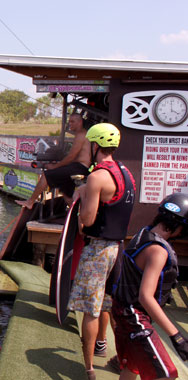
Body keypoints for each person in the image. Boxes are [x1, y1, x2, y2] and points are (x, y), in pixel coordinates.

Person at [67, 123, 136, 380]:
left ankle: (89, 369)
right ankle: (109, 350)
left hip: (97, 250)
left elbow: (86, 219)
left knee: (90, 309)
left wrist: (82, 193)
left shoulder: (97, 176)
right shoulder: (126, 172)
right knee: (108, 303)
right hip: (119, 248)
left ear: (95, 145)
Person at [110, 192, 188, 380]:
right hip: (133, 316)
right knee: (167, 374)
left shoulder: (143, 234)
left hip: (122, 310)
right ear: (179, 226)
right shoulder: (158, 252)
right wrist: (176, 336)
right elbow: (146, 296)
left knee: (132, 367)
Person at [16, 113, 91, 209]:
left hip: (79, 167)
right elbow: (74, 157)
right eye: (69, 122)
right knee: (65, 191)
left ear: (80, 122)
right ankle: (76, 214)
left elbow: (71, 157)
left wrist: (55, 166)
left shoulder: (81, 135)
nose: (70, 124)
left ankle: (30, 202)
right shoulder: (83, 134)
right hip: (79, 167)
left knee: (46, 175)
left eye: (72, 121)